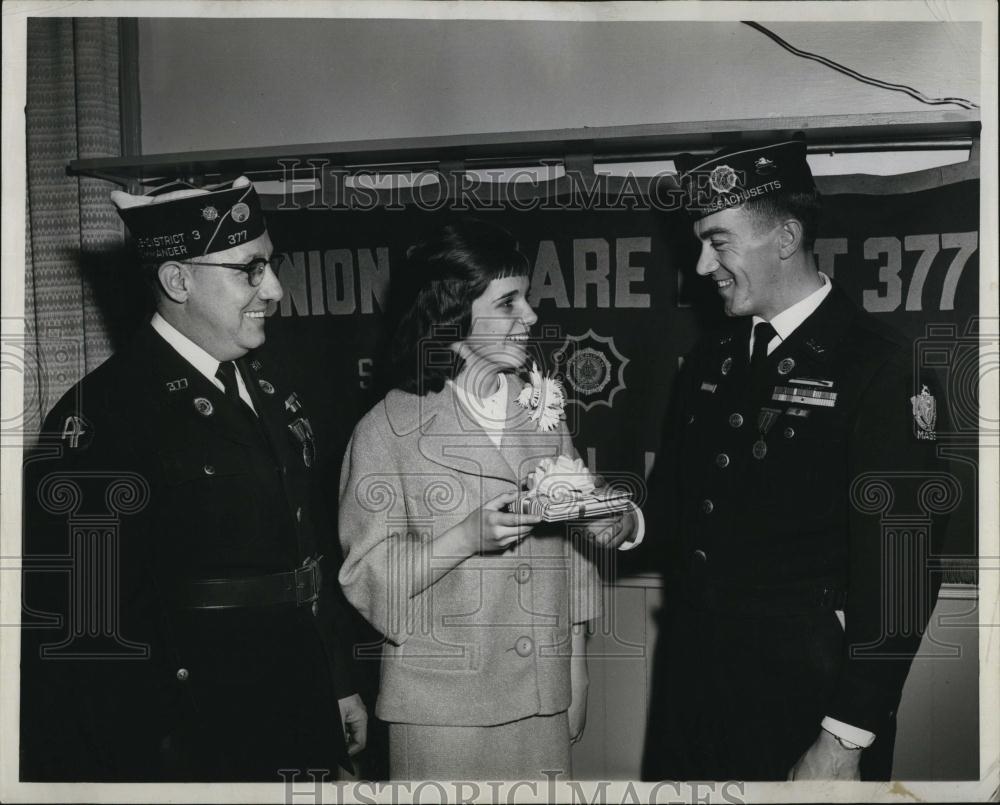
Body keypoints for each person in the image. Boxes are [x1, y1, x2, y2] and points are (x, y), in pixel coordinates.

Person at [20, 177, 367, 781]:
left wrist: (336, 681)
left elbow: (303, 552)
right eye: (250, 270)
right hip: (195, 735)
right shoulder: (101, 415)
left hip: (298, 705)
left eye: (272, 265)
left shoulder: (272, 383)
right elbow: (89, 632)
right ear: (178, 280)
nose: (276, 290)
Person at [642, 140, 948, 781]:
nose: (702, 266)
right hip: (694, 693)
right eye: (700, 243)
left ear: (785, 238)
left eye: (718, 243)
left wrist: (843, 739)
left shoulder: (881, 365)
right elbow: (681, 504)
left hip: (805, 705)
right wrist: (629, 523)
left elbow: (900, 574)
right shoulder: (712, 361)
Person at [336, 219, 642, 780]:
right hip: (440, 708)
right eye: (508, 302)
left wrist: (576, 663)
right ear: (454, 315)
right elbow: (365, 574)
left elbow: (573, 547)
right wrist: (462, 539)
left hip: (541, 692)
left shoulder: (543, 412)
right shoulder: (386, 428)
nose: (529, 316)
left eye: (525, 298)